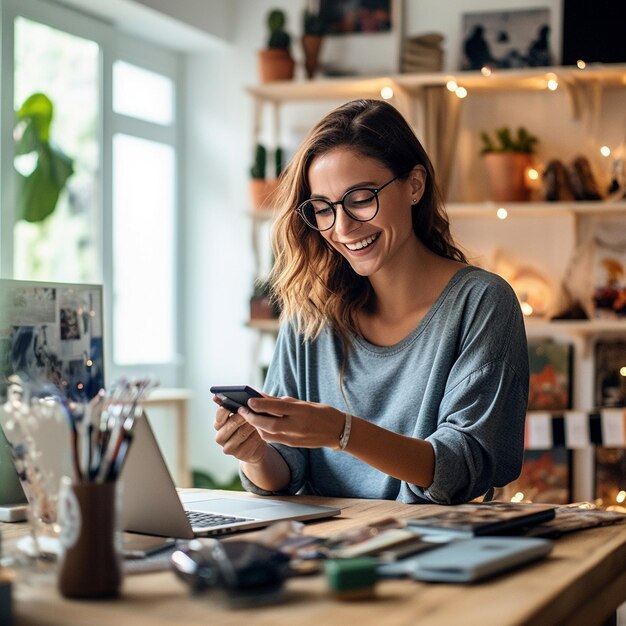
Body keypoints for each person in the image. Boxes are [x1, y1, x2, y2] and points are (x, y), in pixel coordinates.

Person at [213, 99, 529, 504]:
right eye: (324, 209)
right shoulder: (311, 311)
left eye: (361, 198)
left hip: (432, 553)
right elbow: (284, 472)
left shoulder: (482, 303)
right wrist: (255, 453)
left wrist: (342, 432)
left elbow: (462, 468)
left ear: (414, 185)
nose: (342, 227)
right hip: (322, 551)